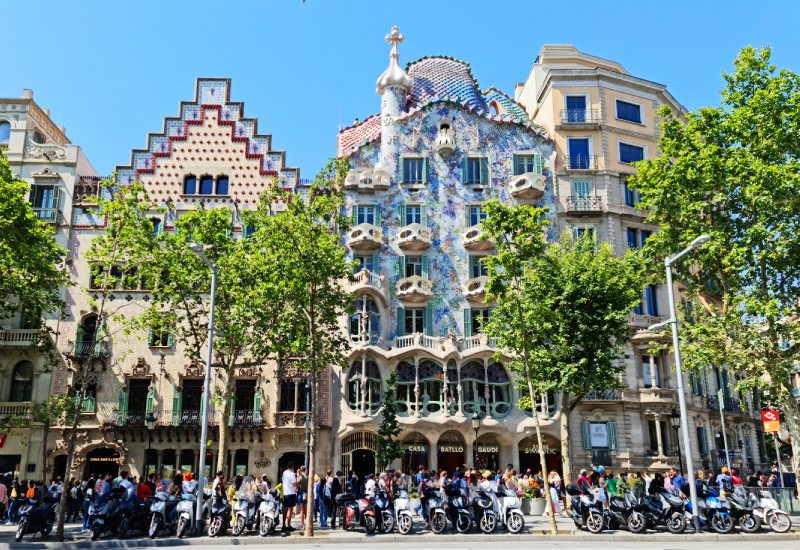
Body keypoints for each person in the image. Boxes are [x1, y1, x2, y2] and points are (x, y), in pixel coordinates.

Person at [282, 462, 298, 532]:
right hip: (291, 493)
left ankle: (284, 525)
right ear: (293, 467)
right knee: (290, 509)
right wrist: (296, 491)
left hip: (285, 493)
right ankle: (289, 526)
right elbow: (294, 484)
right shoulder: (292, 474)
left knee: (285, 509)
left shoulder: (284, 473)